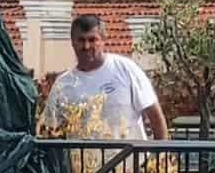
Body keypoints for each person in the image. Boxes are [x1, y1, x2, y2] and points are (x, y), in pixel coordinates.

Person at [40, 14, 168, 141]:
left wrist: (160, 152)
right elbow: (50, 131)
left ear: (103, 40)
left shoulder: (126, 69)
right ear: (72, 42)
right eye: (81, 40)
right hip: (81, 155)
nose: (86, 46)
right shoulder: (62, 84)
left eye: (92, 40)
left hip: (129, 155)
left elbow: (155, 115)